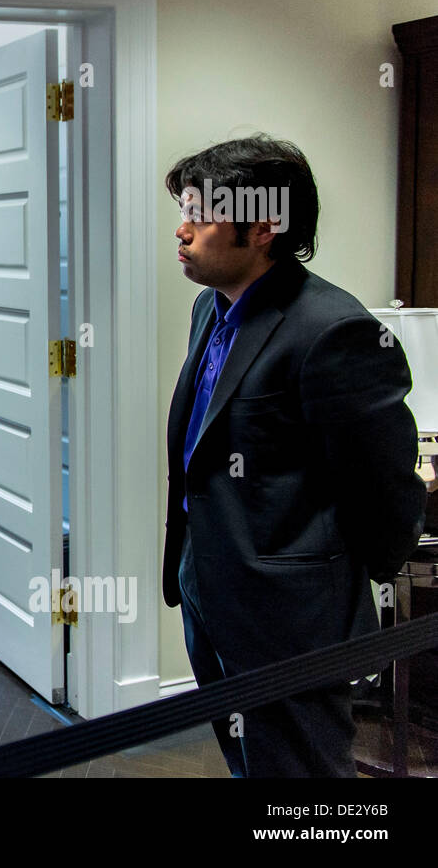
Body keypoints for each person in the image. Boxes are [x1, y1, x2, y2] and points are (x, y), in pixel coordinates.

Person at [161, 135, 426, 776]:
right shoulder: (209, 307)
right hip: (208, 588)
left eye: (201, 213)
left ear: (264, 226)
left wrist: (327, 587)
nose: (182, 229)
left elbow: (386, 484)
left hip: (291, 618)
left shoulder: (334, 329)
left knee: (302, 784)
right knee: (249, 765)